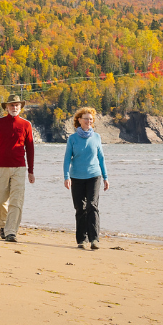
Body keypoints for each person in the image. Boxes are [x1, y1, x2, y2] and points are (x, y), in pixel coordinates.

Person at [0, 94, 36, 242]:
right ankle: (3, 225)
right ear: (6, 107)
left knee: (16, 201)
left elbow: (30, 148)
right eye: (12, 105)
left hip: (19, 168)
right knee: (0, 201)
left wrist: (31, 171)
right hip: (0, 167)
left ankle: (11, 231)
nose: (14, 107)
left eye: (17, 105)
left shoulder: (26, 125)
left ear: (20, 107)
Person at [62, 107, 110, 250]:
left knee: (92, 205)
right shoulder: (73, 138)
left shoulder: (96, 137)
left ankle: (94, 239)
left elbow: (101, 158)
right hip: (76, 177)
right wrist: (66, 177)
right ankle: (81, 239)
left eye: (91, 119)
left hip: (94, 176)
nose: (89, 121)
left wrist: (106, 177)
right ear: (79, 120)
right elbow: (66, 159)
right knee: (80, 208)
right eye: (86, 118)